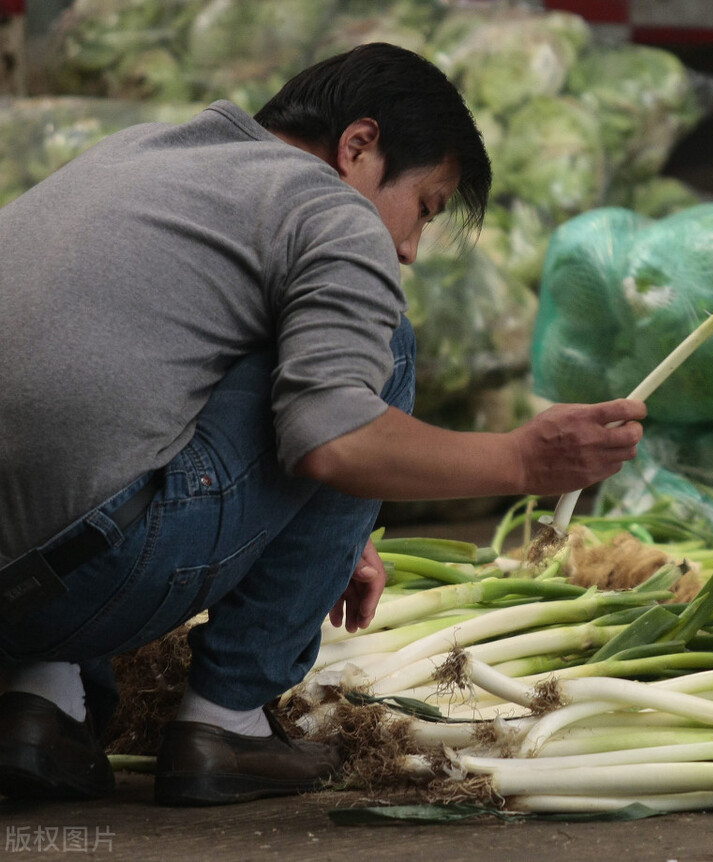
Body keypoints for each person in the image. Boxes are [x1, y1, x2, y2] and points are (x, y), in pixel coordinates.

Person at [0, 43, 645, 806]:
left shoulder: (132, 156)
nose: (407, 247)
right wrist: (524, 462)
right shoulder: (328, 207)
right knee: (384, 352)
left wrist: (321, 531)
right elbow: (339, 440)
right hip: (98, 572)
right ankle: (228, 720)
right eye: (425, 208)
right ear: (359, 146)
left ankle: (40, 702)